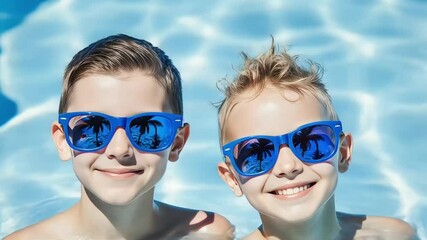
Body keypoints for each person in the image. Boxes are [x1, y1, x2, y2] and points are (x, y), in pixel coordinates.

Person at [5, 34, 234, 240]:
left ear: (176, 143)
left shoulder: (209, 234)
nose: (119, 149)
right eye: (94, 127)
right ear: (64, 141)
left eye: (147, 128)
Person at [216, 39, 417, 240]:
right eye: (257, 154)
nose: (288, 166)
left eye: (308, 142)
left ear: (343, 153)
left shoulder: (395, 235)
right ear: (232, 178)